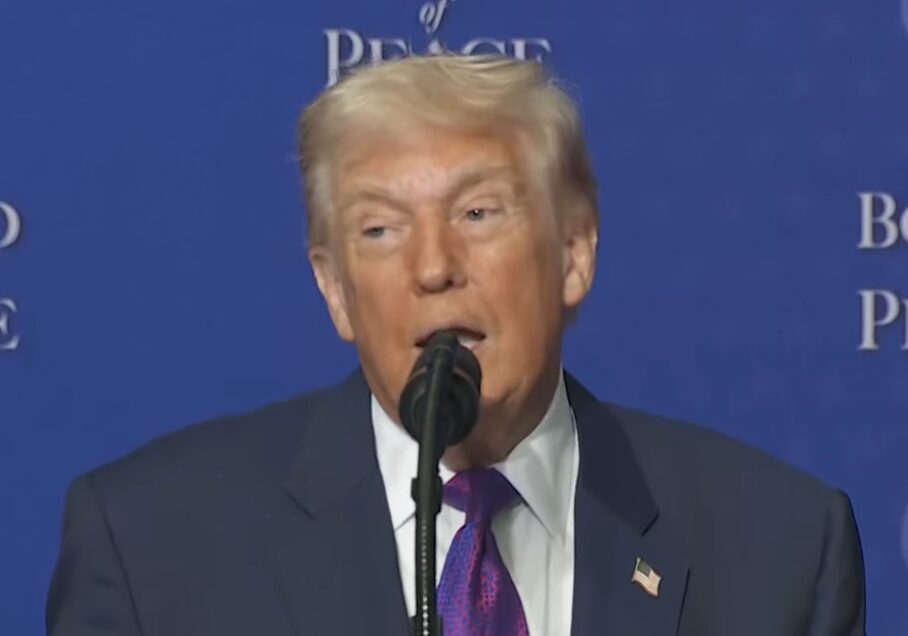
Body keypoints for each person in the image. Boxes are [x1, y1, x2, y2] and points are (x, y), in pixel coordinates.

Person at [46, 54, 866, 636]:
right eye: (379, 228)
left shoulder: (781, 547)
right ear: (334, 289)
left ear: (574, 252)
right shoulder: (152, 544)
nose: (433, 266)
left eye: (478, 213)